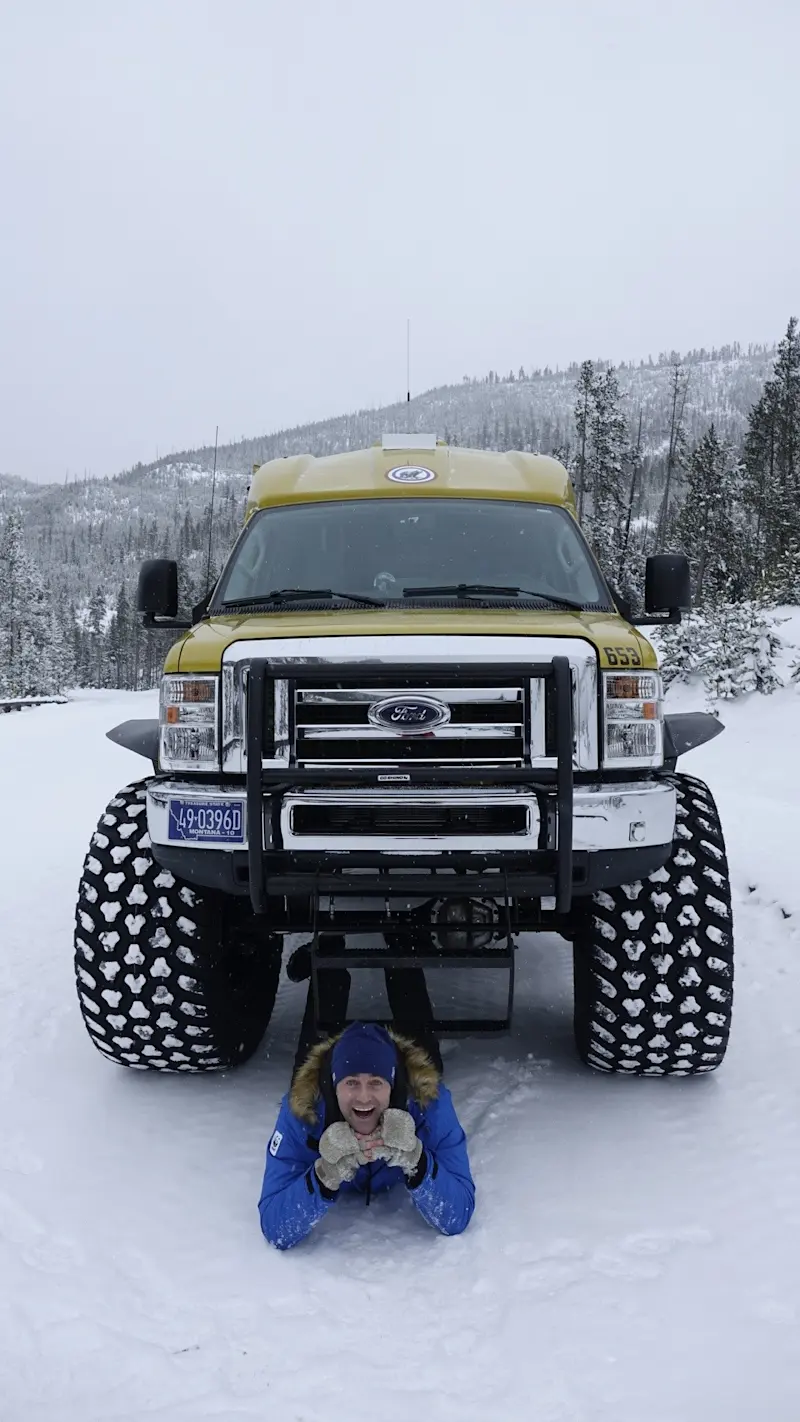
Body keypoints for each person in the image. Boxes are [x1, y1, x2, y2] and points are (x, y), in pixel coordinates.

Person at [259, 1022, 475, 1250]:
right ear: (334, 1084)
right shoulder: (303, 1111)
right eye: (351, 1082)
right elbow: (275, 1228)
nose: (363, 1097)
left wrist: (417, 1161)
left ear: (392, 1085)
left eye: (376, 1083)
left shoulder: (429, 1105)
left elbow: (458, 1215)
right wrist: (324, 1175)